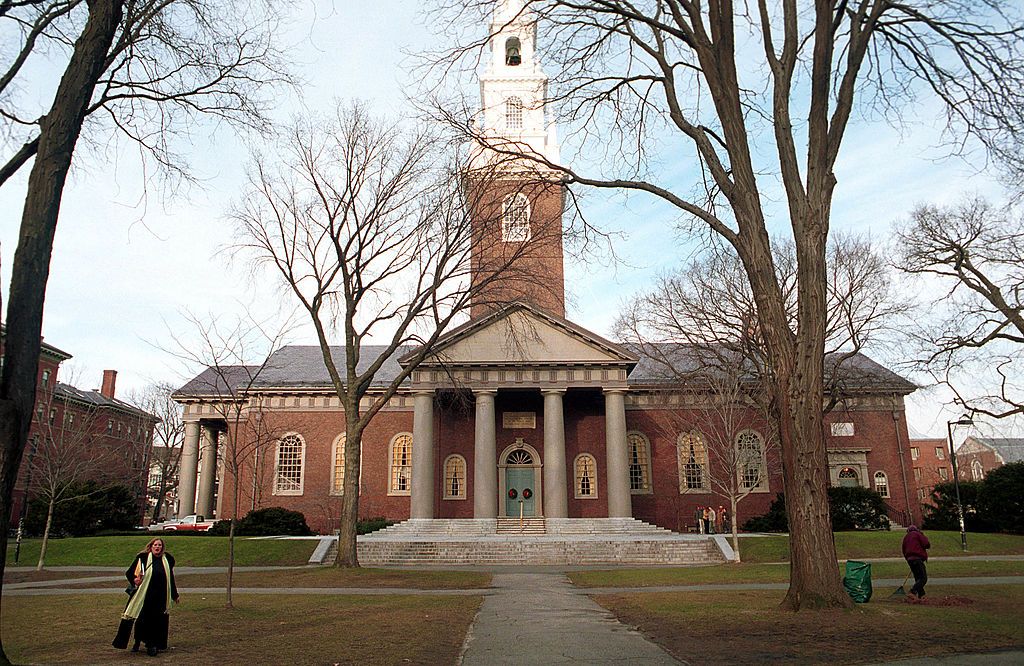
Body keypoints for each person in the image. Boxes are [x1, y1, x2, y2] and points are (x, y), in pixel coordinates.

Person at [113, 538, 180, 656]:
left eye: (159, 545)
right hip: (145, 596)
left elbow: (170, 578)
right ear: (151, 546)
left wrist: (175, 595)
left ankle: (154, 644)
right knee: (143, 620)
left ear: (162, 547)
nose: (157, 547)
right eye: (155, 545)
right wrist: (135, 580)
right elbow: (129, 573)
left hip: (161, 596)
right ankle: (140, 642)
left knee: (158, 620)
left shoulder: (167, 559)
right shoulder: (143, 558)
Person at [902, 525, 931, 599]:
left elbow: (903, 549)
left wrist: (908, 559)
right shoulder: (918, 534)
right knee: (923, 578)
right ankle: (913, 591)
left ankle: (922, 595)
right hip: (917, 559)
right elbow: (927, 544)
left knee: (918, 578)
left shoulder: (906, 537)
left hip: (910, 560)